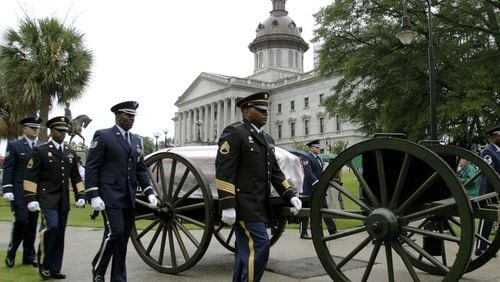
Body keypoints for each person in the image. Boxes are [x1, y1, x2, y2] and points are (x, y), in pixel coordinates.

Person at [215, 92, 302, 282]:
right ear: (246, 112)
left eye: (266, 110)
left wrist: (290, 195)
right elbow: (224, 171)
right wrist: (227, 203)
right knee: (260, 246)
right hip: (244, 204)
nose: (266, 113)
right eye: (260, 110)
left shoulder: (268, 139)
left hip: (259, 205)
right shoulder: (235, 133)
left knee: (245, 250)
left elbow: (276, 173)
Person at [85, 101, 158, 282]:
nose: (132, 119)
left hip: (128, 197)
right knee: (115, 232)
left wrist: (149, 191)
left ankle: (118, 277)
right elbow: (92, 167)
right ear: (118, 116)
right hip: (109, 195)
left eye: (133, 116)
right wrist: (93, 194)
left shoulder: (136, 140)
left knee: (123, 238)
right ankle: (98, 268)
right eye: (128, 115)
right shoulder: (103, 136)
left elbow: (140, 169)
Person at [23, 116, 86, 279]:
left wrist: (80, 194)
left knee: (59, 233)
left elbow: (76, 177)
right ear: (52, 131)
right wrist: (31, 199)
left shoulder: (70, 152)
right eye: (59, 131)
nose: (62, 134)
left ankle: (55, 267)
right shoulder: (41, 150)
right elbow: (31, 176)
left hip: (63, 199)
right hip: (46, 197)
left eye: (65, 131)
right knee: (51, 227)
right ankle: (43, 264)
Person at [2, 116, 42, 268]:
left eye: (37, 128)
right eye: (32, 127)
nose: (35, 130)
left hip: (35, 191)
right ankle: (11, 253)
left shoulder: (41, 146)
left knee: (32, 224)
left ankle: (28, 256)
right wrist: (7, 188)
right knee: (22, 221)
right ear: (24, 129)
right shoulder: (15, 145)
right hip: (19, 190)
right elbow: (8, 168)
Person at [300, 139, 337, 239]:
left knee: (324, 209)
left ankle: (332, 230)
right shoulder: (306, 158)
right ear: (311, 147)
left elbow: (320, 172)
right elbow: (308, 172)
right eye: (317, 147)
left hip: (319, 189)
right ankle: (303, 232)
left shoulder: (319, 159)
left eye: (319, 147)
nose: (319, 149)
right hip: (309, 189)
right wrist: (316, 182)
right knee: (306, 212)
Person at [475, 125, 500, 256]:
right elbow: (491, 172)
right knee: (486, 219)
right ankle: (480, 248)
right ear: (494, 137)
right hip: (488, 190)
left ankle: (487, 247)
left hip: (497, 190)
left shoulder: (499, 151)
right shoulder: (487, 151)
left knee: (492, 219)